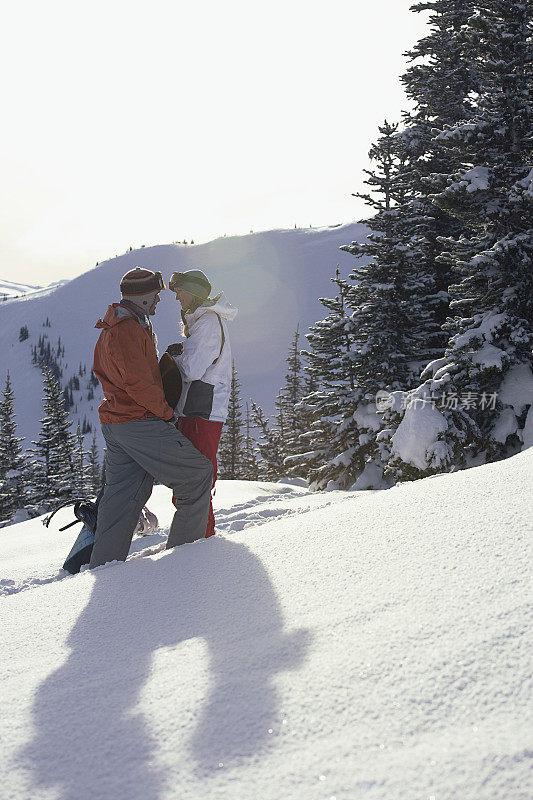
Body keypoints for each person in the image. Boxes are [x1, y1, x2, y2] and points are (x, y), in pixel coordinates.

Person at [89, 267, 213, 569]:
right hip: (138, 422)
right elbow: (138, 383)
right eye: (156, 294)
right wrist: (166, 413)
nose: (160, 298)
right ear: (142, 297)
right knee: (197, 475)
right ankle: (183, 563)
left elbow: (130, 376)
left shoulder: (121, 324)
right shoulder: (127, 330)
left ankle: (104, 569)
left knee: (123, 500)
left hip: (117, 423)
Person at [167, 269, 237, 537]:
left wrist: (174, 361)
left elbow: (193, 370)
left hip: (203, 413)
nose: (177, 298)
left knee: (195, 479)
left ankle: (201, 540)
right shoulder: (202, 322)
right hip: (196, 411)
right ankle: (197, 537)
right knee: (192, 478)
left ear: (193, 293)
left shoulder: (208, 323)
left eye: (180, 292)